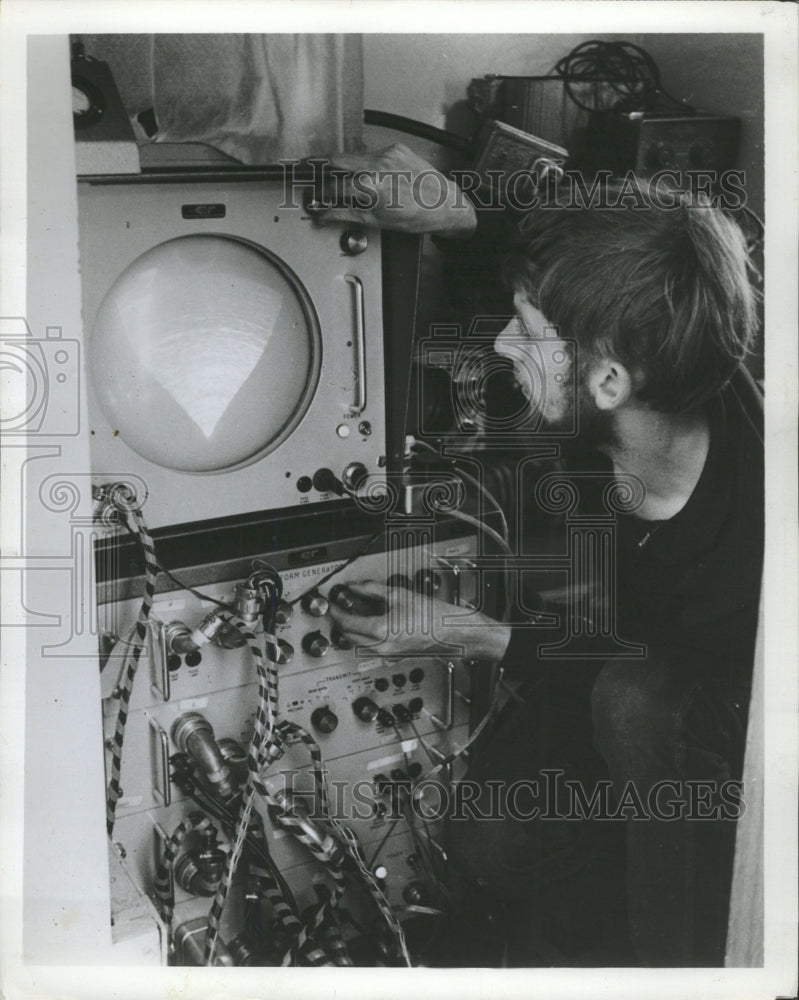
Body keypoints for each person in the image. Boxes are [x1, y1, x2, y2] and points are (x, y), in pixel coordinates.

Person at [317, 144, 764, 967]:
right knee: (491, 839)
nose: (495, 345)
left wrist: (466, 633)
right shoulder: (657, 354)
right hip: (627, 650)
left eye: (523, 332)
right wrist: (456, 211)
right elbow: (591, 252)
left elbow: (644, 655)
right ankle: (593, 895)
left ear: (606, 383)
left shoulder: (753, 560)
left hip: (713, 711)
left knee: (637, 707)